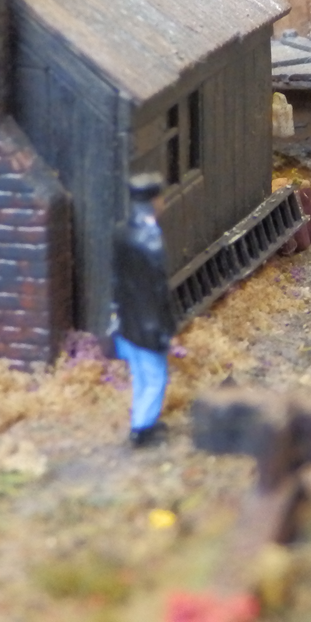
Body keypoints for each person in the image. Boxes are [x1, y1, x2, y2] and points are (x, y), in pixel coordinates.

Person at [110, 174, 180, 447]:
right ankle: (142, 429)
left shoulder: (121, 233)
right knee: (155, 378)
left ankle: (141, 419)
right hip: (149, 325)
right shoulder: (151, 241)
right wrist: (166, 328)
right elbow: (158, 293)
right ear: (154, 201)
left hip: (127, 321)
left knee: (140, 375)